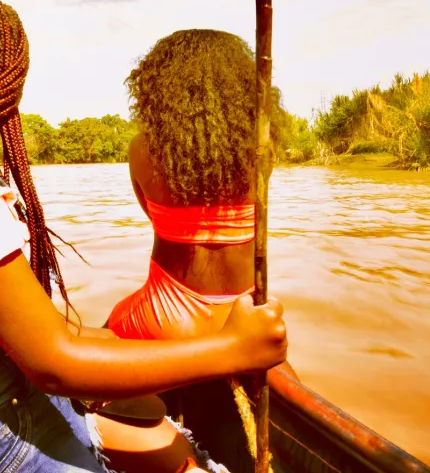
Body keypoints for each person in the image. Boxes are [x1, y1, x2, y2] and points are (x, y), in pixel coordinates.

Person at [0, 0, 288, 473]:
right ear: (12, 84)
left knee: (176, 445)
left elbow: (37, 337)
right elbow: (52, 363)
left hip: (17, 397)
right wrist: (232, 348)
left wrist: (111, 343)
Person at [105, 29, 299, 472]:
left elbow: (155, 220)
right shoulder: (260, 153)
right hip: (246, 314)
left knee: (100, 343)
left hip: (164, 318)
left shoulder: (141, 151)